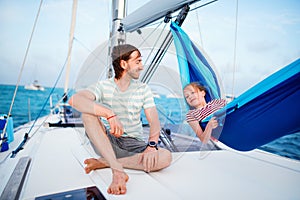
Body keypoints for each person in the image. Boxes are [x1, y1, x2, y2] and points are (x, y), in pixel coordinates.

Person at [69, 44, 172, 195]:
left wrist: (151, 146)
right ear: (124, 64)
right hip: (106, 141)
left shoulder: (143, 89)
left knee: (165, 157)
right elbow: (75, 100)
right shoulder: (103, 86)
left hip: (132, 143)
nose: (141, 66)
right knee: (88, 114)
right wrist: (109, 113)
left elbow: (154, 122)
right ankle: (117, 171)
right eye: (137, 61)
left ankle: (105, 163)